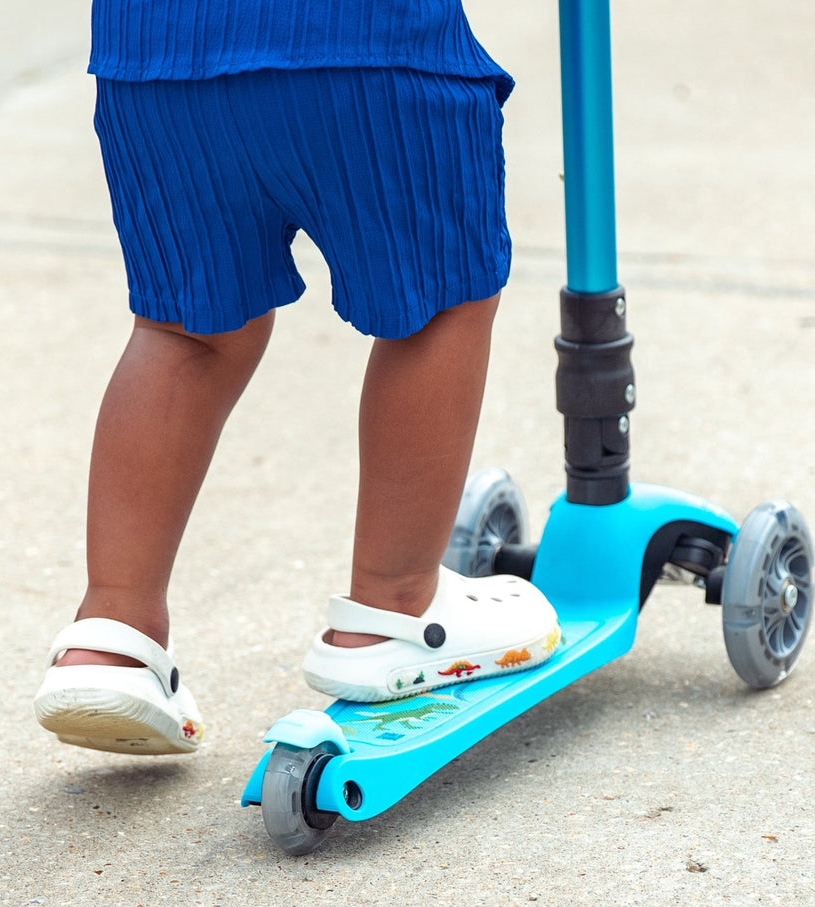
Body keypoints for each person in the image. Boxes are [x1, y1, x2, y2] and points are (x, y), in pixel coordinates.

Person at [34, 0, 561, 755]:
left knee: (186, 331)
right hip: (367, 46)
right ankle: (396, 606)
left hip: (157, 60)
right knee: (436, 306)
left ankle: (113, 632)